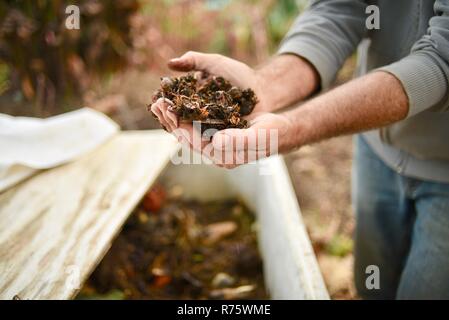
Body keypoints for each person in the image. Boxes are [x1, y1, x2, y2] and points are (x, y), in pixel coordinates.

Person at [150, 0, 449, 299]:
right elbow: (341, 8)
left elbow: (442, 59)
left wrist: (295, 126)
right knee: (373, 280)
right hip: (376, 147)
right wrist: (264, 86)